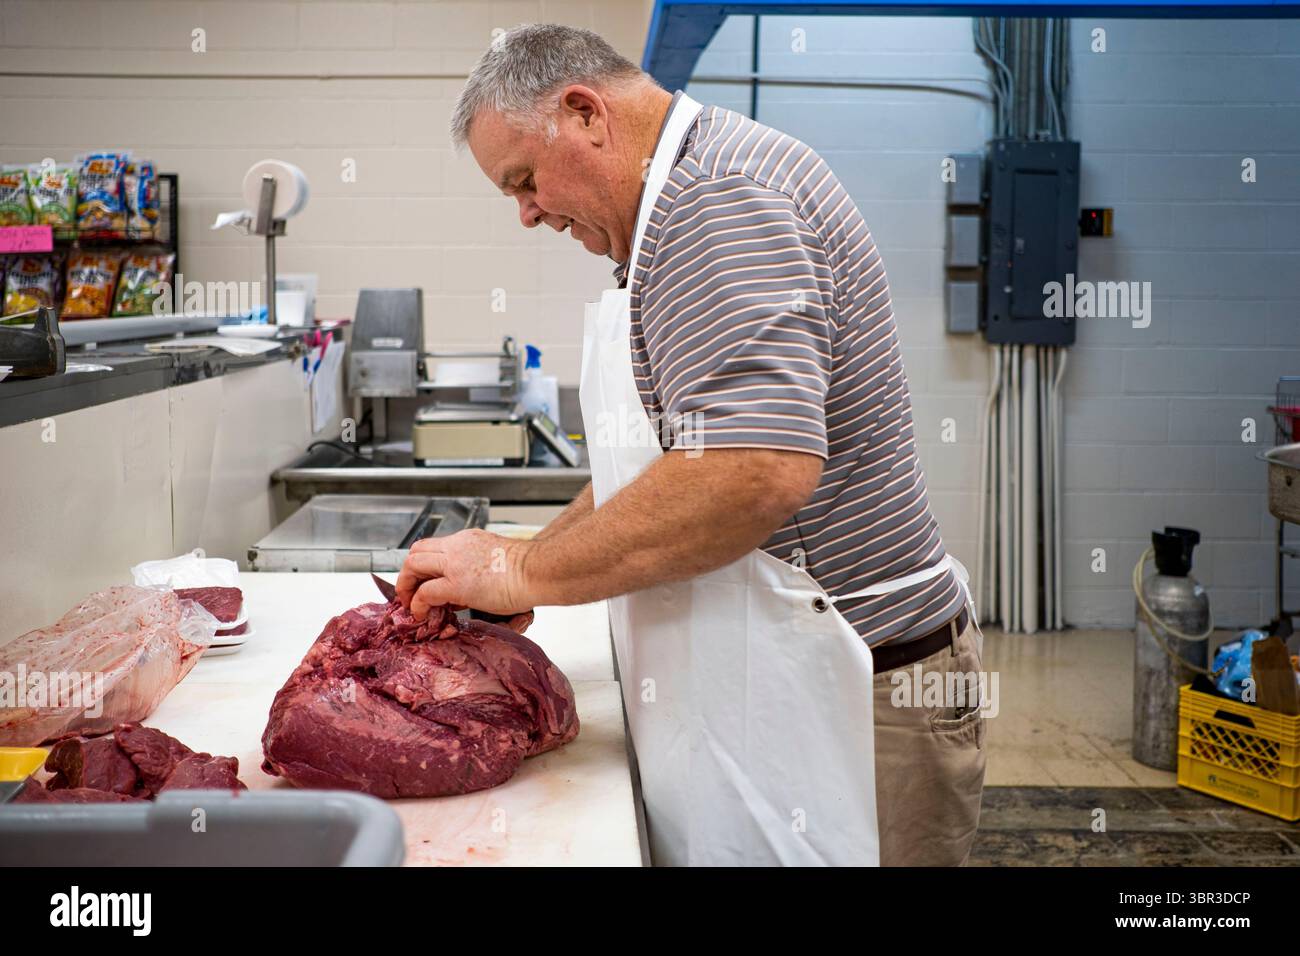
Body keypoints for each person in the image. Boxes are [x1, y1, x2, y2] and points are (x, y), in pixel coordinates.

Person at [396, 23, 985, 866]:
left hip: (864, 694)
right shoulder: (680, 200)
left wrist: (525, 574)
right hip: (804, 684)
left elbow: (753, 471)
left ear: (584, 112)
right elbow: (670, 460)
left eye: (524, 181)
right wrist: (522, 554)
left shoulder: (717, 199)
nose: (527, 214)